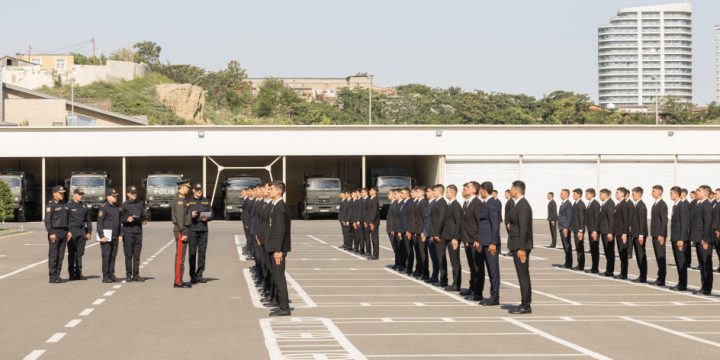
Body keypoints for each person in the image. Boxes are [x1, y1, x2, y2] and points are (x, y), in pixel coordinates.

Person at [507, 180, 533, 314]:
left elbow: (524, 228)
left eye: (511, 189)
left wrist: (522, 248)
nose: (510, 191)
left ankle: (526, 305)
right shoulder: (518, 204)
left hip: (520, 246)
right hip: (516, 244)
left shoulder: (523, 205)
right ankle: (524, 302)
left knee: (523, 275)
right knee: (522, 275)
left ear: (516, 190)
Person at [266, 181, 292, 316]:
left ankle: (284, 308)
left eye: (271, 189)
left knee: (279, 277)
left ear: (278, 192)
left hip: (278, 249)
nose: (269, 191)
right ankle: (281, 304)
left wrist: (278, 250)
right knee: (277, 276)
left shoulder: (280, 207)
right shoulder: (276, 206)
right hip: (274, 247)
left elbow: (280, 230)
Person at [476, 181, 501, 306]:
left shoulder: (491, 204)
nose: (479, 192)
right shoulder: (486, 203)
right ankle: (493, 295)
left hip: (490, 243)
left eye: (480, 190)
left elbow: (495, 225)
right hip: (484, 242)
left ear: (485, 190)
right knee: (489, 270)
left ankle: (495, 297)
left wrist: (493, 242)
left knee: (493, 271)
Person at [186, 183, 212, 284]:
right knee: (192, 254)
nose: (199, 191)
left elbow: (211, 214)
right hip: (192, 230)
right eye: (197, 189)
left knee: (202, 254)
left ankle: (200, 274)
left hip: (203, 230)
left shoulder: (206, 201)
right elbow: (184, 214)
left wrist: (203, 216)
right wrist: (190, 215)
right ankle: (192, 276)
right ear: (193, 190)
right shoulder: (188, 201)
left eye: (200, 189)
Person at [121, 186, 147, 282]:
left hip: (138, 232)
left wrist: (144, 221)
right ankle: (128, 274)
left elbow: (145, 217)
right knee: (128, 255)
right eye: (132, 193)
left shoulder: (140, 205)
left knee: (137, 255)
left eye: (135, 192)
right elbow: (120, 218)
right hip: (128, 232)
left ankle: (136, 274)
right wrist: (126, 219)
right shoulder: (124, 205)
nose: (134, 194)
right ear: (128, 194)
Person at [460, 182, 482, 300]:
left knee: (477, 267)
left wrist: (478, 239)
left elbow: (479, 223)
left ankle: (478, 292)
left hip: (474, 240)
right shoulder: (466, 203)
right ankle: (472, 287)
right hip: (467, 239)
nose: (463, 189)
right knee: (471, 266)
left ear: (474, 190)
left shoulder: (477, 203)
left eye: (467, 187)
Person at [691, 185, 714, 295]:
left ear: (705, 193)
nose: (696, 192)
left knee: (706, 264)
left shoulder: (706, 205)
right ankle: (703, 286)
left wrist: (705, 239)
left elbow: (708, 223)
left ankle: (707, 288)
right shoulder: (698, 204)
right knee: (702, 264)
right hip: (698, 238)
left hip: (704, 239)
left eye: (699, 190)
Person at [45, 185, 70, 283]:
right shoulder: (50, 205)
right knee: (53, 255)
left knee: (61, 255)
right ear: (54, 194)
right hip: (55, 232)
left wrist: (68, 231)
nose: (62, 194)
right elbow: (47, 221)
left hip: (63, 232)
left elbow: (67, 219)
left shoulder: (64, 204)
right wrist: (51, 233)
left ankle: (58, 275)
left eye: (63, 193)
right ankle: (52, 276)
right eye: (60, 193)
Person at [67, 188, 91, 281]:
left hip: (81, 231)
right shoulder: (69, 206)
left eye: (82, 194)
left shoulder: (84, 205)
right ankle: (71, 274)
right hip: (72, 231)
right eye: (79, 194)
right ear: (74, 195)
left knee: (80, 254)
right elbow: (66, 221)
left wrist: (89, 232)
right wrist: (68, 231)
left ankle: (79, 273)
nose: (81, 196)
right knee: (72, 253)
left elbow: (88, 220)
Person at [97, 188, 122, 283]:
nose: (116, 197)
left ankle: (111, 274)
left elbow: (119, 222)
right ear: (108, 197)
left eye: (116, 196)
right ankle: (105, 276)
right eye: (114, 196)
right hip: (106, 236)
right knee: (106, 256)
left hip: (115, 235)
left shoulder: (117, 207)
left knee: (113, 256)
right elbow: (100, 223)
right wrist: (101, 236)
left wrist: (120, 234)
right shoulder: (103, 207)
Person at [441, 185, 463, 291]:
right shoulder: (449, 205)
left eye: (448, 192)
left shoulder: (456, 205)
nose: (446, 193)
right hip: (447, 236)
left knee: (455, 261)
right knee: (452, 260)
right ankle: (454, 282)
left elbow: (458, 222)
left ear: (453, 193)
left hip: (453, 237)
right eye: (446, 191)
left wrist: (455, 238)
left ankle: (457, 283)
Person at [171, 179, 192, 288]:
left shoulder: (183, 199)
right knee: (180, 256)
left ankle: (180, 279)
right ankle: (178, 281)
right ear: (182, 187)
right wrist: (183, 232)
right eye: (187, 187)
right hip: (181, 231)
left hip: (183, 229)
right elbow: (180, 218)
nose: (189, 189)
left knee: (181, 256)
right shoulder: (179, 199)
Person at [670, 186, 689, 291]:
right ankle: (680, 282)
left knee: (681, 262)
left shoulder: (682, 206)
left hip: (679, 239)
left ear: (677, 194)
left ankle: (683, 284)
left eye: (672, 193)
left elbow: (684, 224)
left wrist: (681, 239)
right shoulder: (675, 206)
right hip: (675, 238)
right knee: (678, 261)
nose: (670, 195)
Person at [649, 185, 668, 286]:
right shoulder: (655, 204)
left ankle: (661, 279)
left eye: (654, 191)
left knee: (661, 257)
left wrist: (662, 234)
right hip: (655, 234)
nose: (652, 193)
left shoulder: (662, 204)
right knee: (658, 257)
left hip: (659, 235)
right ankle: (659, 277)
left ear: (660, 192)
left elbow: (664, 221)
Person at [429, 185, 447, 286]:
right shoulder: (436, 202)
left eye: (434, 190)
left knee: (441, 257)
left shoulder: (442, 203)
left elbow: (441, 219)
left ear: (440, 192)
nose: (433, 192)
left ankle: (443, 279)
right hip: (434, 234)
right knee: (437, 257)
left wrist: (437, 233)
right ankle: (440, 278)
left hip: (439, 235)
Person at [629, 187, 648, 283]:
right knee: (638, 255)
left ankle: (643, 276)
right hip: (635, 234)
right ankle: (641, 274)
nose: (632, 195)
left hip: (639, 235)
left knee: (641, 255)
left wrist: (641, 235)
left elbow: (642, 221)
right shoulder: (636, 205)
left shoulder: (641, 206)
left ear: (639, 194)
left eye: (633, 194)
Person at [613, 187, 631, 280]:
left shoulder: (624, 204)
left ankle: (624, 274)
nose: (615, 194)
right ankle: (622, 272)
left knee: (623, 254)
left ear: (622, 194)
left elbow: (626, 220)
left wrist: (624, 233)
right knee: (621, 253)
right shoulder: (618, 204)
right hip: (618, 232)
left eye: (617, 193)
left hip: (622, 233)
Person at [598, 189, 615, 277]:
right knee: (607, 251)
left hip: (607, 231)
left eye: (601, 194)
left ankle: (610, 270)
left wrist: (610, 232)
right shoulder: (605, 203)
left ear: (605, 194)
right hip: (604, 230)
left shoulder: (610, 203)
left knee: (609, 252)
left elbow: (611, 219)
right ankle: (608, 270)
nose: (600, 196)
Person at [585, 188, 601, 274]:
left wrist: (595, 231)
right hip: (590, 229)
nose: (586, 195)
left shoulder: (595, 204)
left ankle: (595, 268)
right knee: (592, 249)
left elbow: (596, 218)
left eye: (587, 194)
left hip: (594, 230)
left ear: (592, 194)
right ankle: (593, 266)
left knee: (595, 249)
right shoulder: (590, 203)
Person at [570, 188, 586, 271]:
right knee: (577, 247)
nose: (573, 195)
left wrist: (581, 230)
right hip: (576, 229)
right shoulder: (575, 203)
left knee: (580, 247)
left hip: (579, 230)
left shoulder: (580, 204)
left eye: (574, 194)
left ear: (579, 195)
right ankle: (579, 263)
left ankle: (581, 265)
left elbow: (581, 218)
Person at [557, 189, 573, 269]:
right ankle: (567, 262)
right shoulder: (563, 203)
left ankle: (569, 263)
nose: (561, 194)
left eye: (562, 193)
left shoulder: (568, 204)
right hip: (562, 227)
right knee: (565, 245)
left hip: (564, 228)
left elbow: (569, 217)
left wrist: (566, 228)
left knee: (567, 245)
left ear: (567, 194)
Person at [367, 187, 380, 260]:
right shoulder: (371, 199)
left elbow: (374, 212)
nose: (369, 191)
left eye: (371, 190)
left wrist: (372, 222)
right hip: (371, 222)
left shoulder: (375, 200)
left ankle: (375, 255)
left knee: (375, 239)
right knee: (373, 238)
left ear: (375, 192)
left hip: (374, 223)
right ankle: (373, 254)